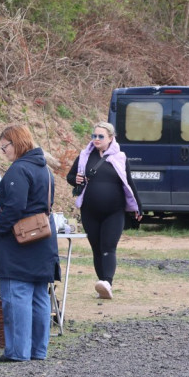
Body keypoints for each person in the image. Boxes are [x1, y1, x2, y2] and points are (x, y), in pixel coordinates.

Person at [0, 124, 59, 362]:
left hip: (19, 243)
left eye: (5, 146)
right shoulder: (45, 169)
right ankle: (38, 350)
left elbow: (15, 206)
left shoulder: (19, 170)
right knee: (39, 295)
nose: (3, 151)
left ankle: (17, 352)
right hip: (44, 240)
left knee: (17, 295)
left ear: (17, 143)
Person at [66, 122, 141, 300]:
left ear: (110, 138)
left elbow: (129, 182)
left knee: (108, 247)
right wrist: (75, 179)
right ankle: (103, 286)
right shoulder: (84, 156)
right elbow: (70, 177)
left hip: (114, 211)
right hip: (90, 211)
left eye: (101, 136)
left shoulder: (120, 157)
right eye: (94, 136)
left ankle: (107, 281)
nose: (96, 139)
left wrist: (139, 206)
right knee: (96, 249)